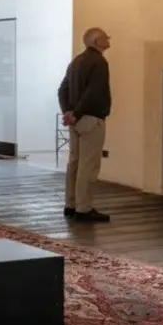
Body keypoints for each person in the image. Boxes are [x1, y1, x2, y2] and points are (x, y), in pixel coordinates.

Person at [58, 27, 113, 223]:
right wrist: (76, 113)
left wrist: (68, 112)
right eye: (105, 37)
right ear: (96, 42)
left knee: (74, 162)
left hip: (76, 121)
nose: (109, 40)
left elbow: (62, 89)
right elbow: (93, 93)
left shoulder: (77, 61)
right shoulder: (99, 62)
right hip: (90, 119)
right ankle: (84, 208)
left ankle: (70, 204)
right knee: (88, 165)